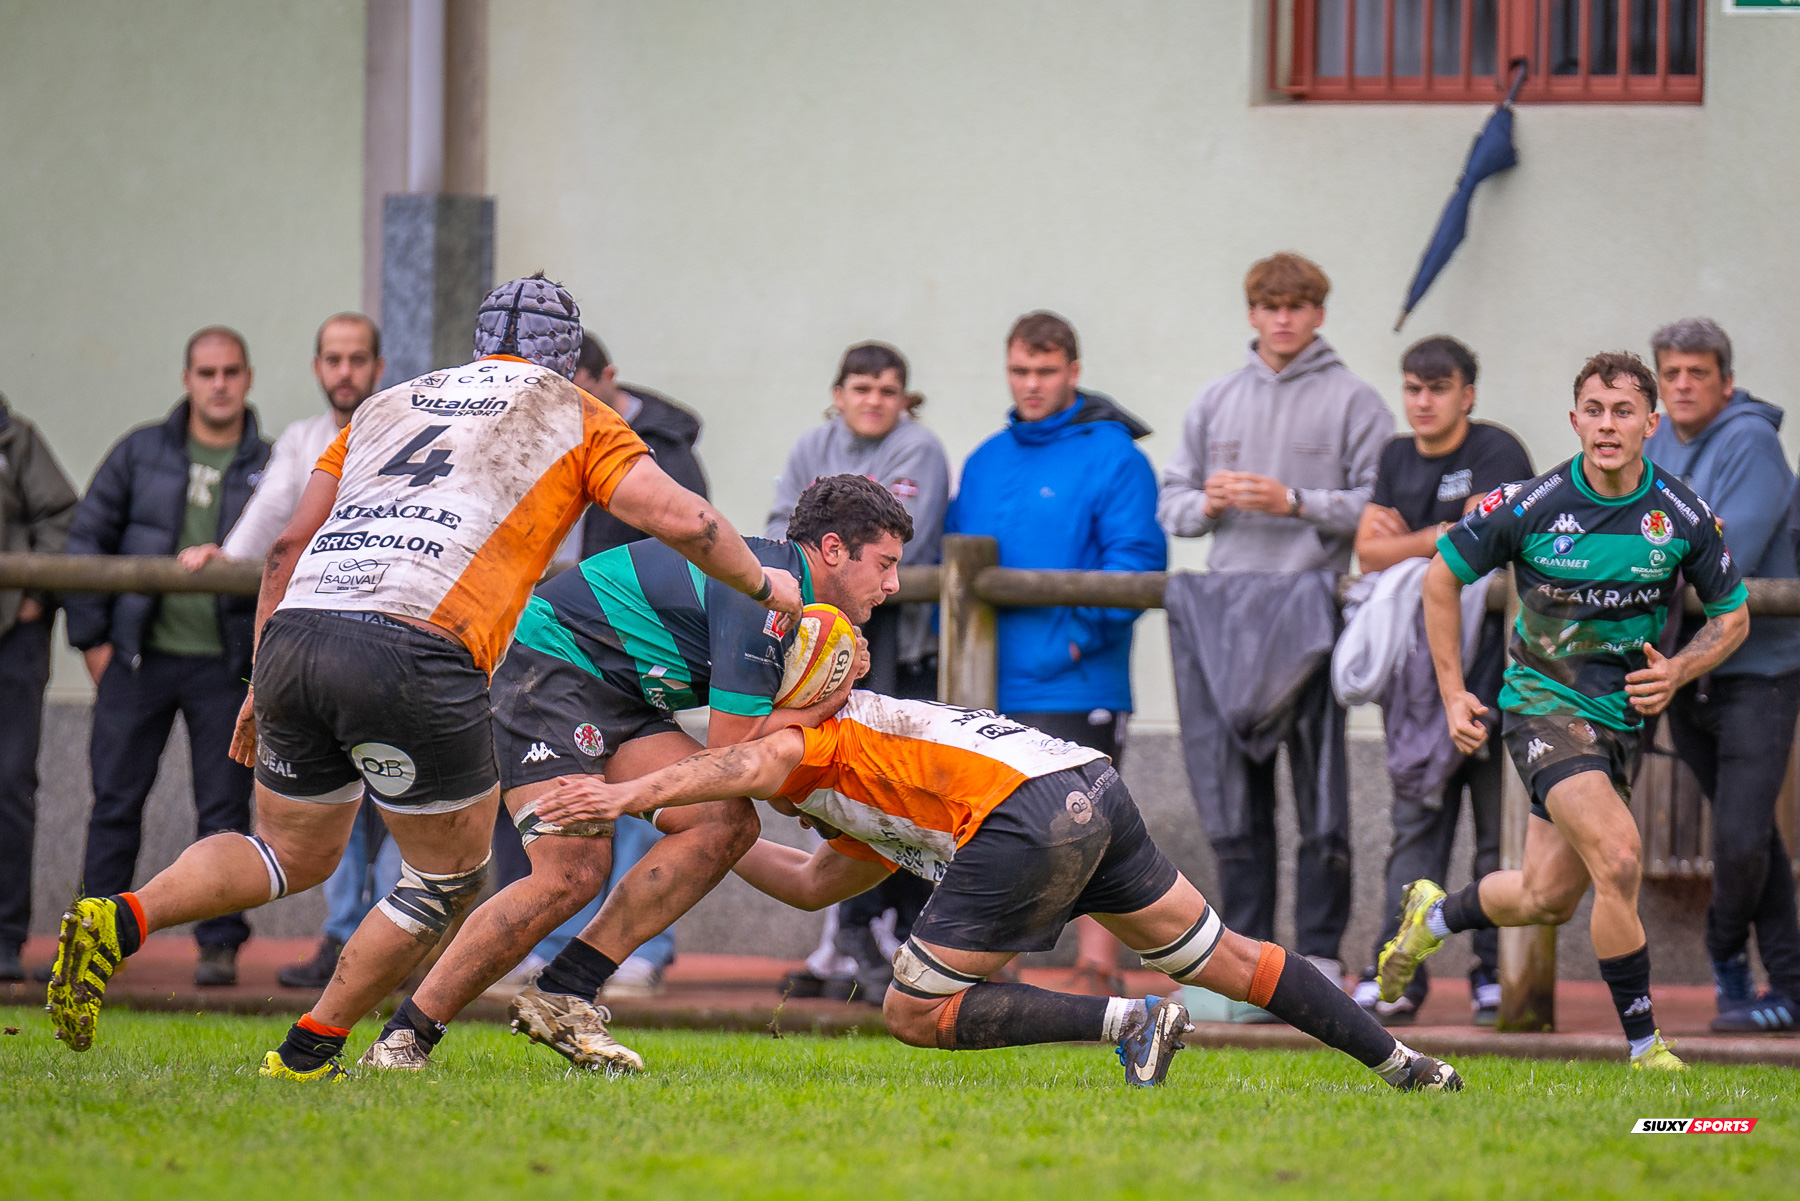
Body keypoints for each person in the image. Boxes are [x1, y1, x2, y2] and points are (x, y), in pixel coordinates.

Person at [46, 275, 803, 1080]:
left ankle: (122, 914)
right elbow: (685, 518)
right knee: (450, 876)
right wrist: (765, 584)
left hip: (300, 633)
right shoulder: (576, 412)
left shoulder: (385, 404)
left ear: (481, 343)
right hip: (418, 643)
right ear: (570, 356)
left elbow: (283, 549)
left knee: (289, 852)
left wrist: (257, 683)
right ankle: (310, 1052)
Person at [530, 691, 1464, 1092]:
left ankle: (1128, 1024)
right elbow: (811, 884)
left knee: (908, 1009)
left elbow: (740, 761)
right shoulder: (871, 787)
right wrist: (698, 837)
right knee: (1224, 957)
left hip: (1024, 812)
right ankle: (1405, 1065)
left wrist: (623, 793)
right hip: (1087, 783)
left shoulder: (799, 739)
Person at [356, 474, 908, 1072]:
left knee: (723, 822)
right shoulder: (765, 599)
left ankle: (565, 991)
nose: (892, 584)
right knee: (571, 872)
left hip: (619, 694)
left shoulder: (797, 607)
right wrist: (827, 700)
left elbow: (746, 769)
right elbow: (731, 754)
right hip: (550, 666)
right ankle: (404, 1039)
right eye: (884, 563)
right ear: (832, 551)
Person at [1386, 350, 1749, 1070]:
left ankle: (1431, 917)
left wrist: (1678, 669)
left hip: (1621, 717)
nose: (1607, 425)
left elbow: (1733, 616)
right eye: (1595, 410)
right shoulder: (1529, 503)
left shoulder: (1681, 513)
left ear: (1650, 422)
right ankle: (1646, 1046)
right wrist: (1456, 690)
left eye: (1623, 412)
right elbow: (1439, 577)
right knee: (1618, 856)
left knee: (1546, 895)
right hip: (1541, 703)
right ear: (1575, 418)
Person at [1158, 253, 1393, 990]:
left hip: (1313, 611)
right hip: (1225, 614)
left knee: (1322, 792)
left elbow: (1380, 506)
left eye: (1297, 305)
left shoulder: (1356, 400)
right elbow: (1173, 504)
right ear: (1252, 313)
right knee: (1236, 796)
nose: (1283, 317)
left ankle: (1320, 951)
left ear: (1319, 313)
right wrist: (1212, 504)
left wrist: (1293, 500)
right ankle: (1247, 957)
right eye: (1269, 305)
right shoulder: (1216, 399)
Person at [946, 311, 1165, 995]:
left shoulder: (1116, 456)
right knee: (989, 831)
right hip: (989, 685)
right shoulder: (984, 459)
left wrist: (1074, 638)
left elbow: (1134, 563)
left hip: (1078, 682)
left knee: (1091, 828)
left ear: (1073, 371)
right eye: (1020, 371)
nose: (1031, 384)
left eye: (1045, 371)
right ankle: (993, 966)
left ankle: (1099, 968)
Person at [182, 313, 401, 992]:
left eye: (357, 358)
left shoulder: (402, 429)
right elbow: (271, 519)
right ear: (317, 367)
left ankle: (399, 943)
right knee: (328, 799)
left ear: (378, 366)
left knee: (398, 797)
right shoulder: (305, 440)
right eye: (333, 358)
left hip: (391, 635)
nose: (345, 371)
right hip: (314, 639)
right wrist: (228, 555)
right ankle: (340, 941)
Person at [62, 326, 272, 986]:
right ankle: (90, 939)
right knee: (116, 803)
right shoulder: (139, 452)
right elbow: (85, 541)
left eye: (230, 371)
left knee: (222, 813)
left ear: (247, 378)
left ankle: (219, 947)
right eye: (206, 371)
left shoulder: (269, 463)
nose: (218, 383)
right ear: (186, 378)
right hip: (138, 661)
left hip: (225, 665)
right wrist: (93, 643)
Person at [1350, 336, 1531, 1025]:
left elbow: (1489, 536)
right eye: (1413, 388)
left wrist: (1414, 537)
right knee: (1413, 835)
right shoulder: (1396, 456)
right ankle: (1397, 974)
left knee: (1496, 837)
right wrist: (1443, 531)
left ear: (1468, 393)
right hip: (1415, 689)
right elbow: (1368, 551)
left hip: (1499, 677)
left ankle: (1493, 975)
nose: (1423, 401)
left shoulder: (1498, 451)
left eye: (1438, 387)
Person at [768, 340, 949, 1001]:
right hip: (814, 634)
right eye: (861, 387)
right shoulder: (806, 445)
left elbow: (902, 537)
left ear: (905, 399)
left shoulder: (921, 449)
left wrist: (824, 561)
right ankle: (840, 942)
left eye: (886, 389)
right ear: (839, 393)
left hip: (898, 643)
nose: (873, 400)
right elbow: (780, 536)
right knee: (829, 780)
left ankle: (879, 927)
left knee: (886, 787)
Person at [1644, 318, 1800, 1033]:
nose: (1682, 385)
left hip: (1759, 673)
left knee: (1738, 839)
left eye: (1696, 373)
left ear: (1725, 381)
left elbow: (1720, 551)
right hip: (1685, 670)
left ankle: (1725, 958)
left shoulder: (1750, 441)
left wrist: (1640, 548)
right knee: (1753, 838)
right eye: (1670, 372)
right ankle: (1790, 984)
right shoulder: (1654, 440)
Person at [0, 391, 79, 981]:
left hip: (11, 641)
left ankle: (4, 937)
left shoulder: (14, 438)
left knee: (8, 784)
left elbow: (63, 518)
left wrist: (30, 593)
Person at [573, 329, 711, 559]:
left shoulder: (664, 443)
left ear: (609, 375)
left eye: (585, 393)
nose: (575, 406)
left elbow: (688, 539)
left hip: (621, 589)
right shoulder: (552, 434)